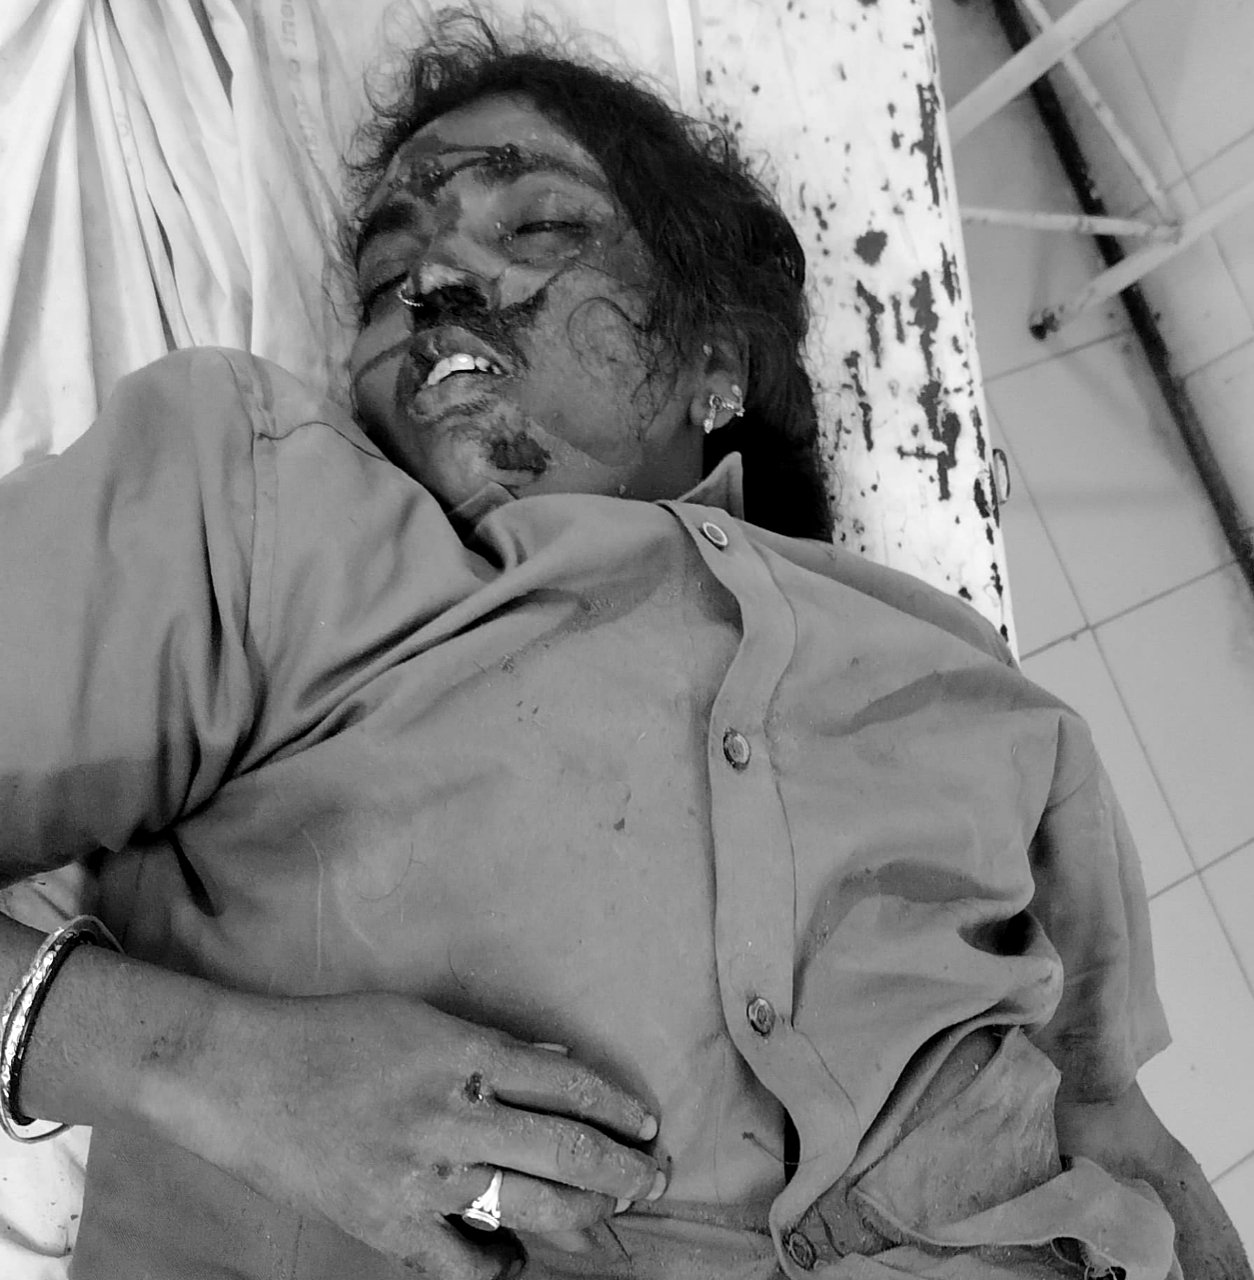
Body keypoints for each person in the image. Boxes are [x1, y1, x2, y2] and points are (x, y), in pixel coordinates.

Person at [0, 11, 1248, 1280]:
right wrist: (224, 1075)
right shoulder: (259, 509)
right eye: (386, 278)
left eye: (539, 225)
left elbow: (1119, 1130)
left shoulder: (959, 668)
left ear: (715, 357)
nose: (434, 282)